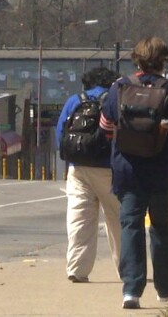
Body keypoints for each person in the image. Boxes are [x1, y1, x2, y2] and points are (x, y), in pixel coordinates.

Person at [99, 37, 168, 309]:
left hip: (128, 171)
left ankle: (131, 289)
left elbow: (105, 128)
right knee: (162, 227)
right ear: (163, 61)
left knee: (130, 227)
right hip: (162, 172)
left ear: (136, 59)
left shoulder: (119, 88)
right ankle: (164, 287)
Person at [55, 66, 122, 284]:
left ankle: (77, 269)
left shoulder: (75, 101)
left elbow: (60, 136)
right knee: (118, 220)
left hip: (78, 168)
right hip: (108, 168)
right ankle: (127, 269)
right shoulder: (115, 99)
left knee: (79, 219)